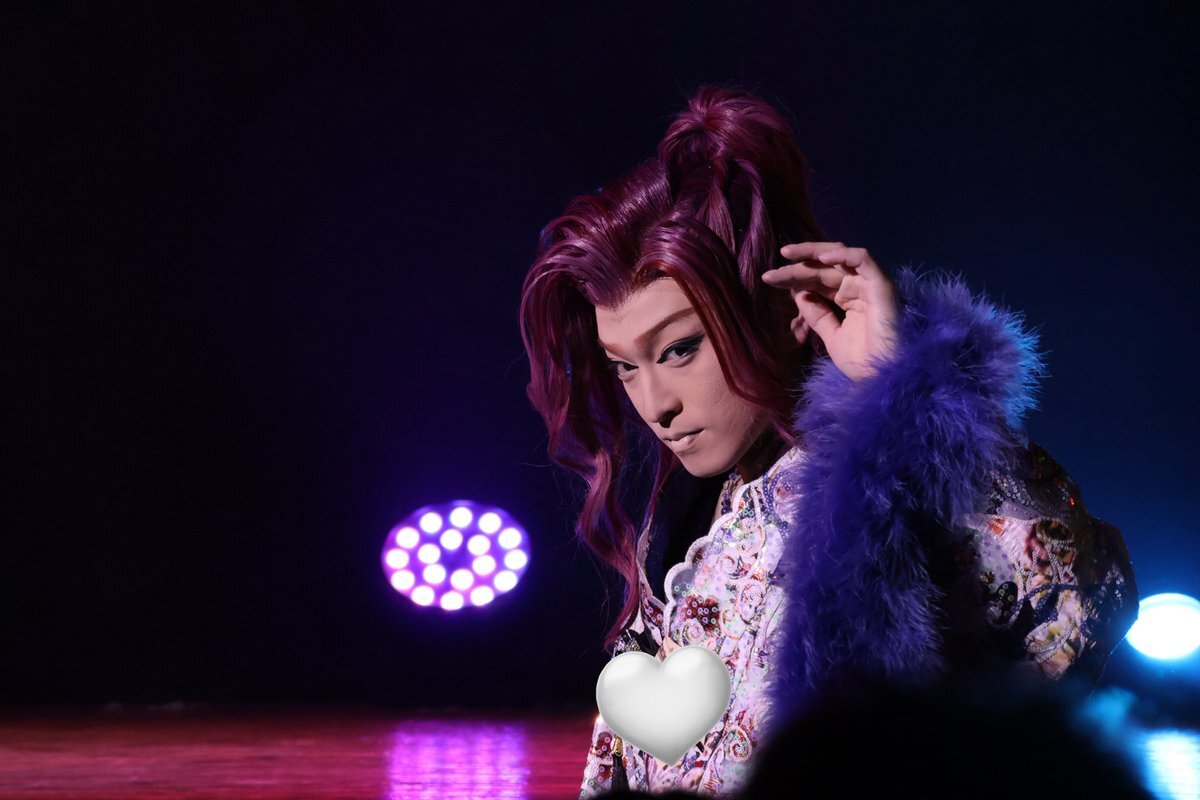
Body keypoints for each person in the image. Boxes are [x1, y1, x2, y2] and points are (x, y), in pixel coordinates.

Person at [518, 87, 1138, 798]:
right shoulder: (685, 519)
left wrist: (901, 388)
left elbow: (1074, 595)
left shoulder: (883, 473)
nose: (656, 404)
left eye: (682, 348)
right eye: (625, 366)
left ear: (783, 312)